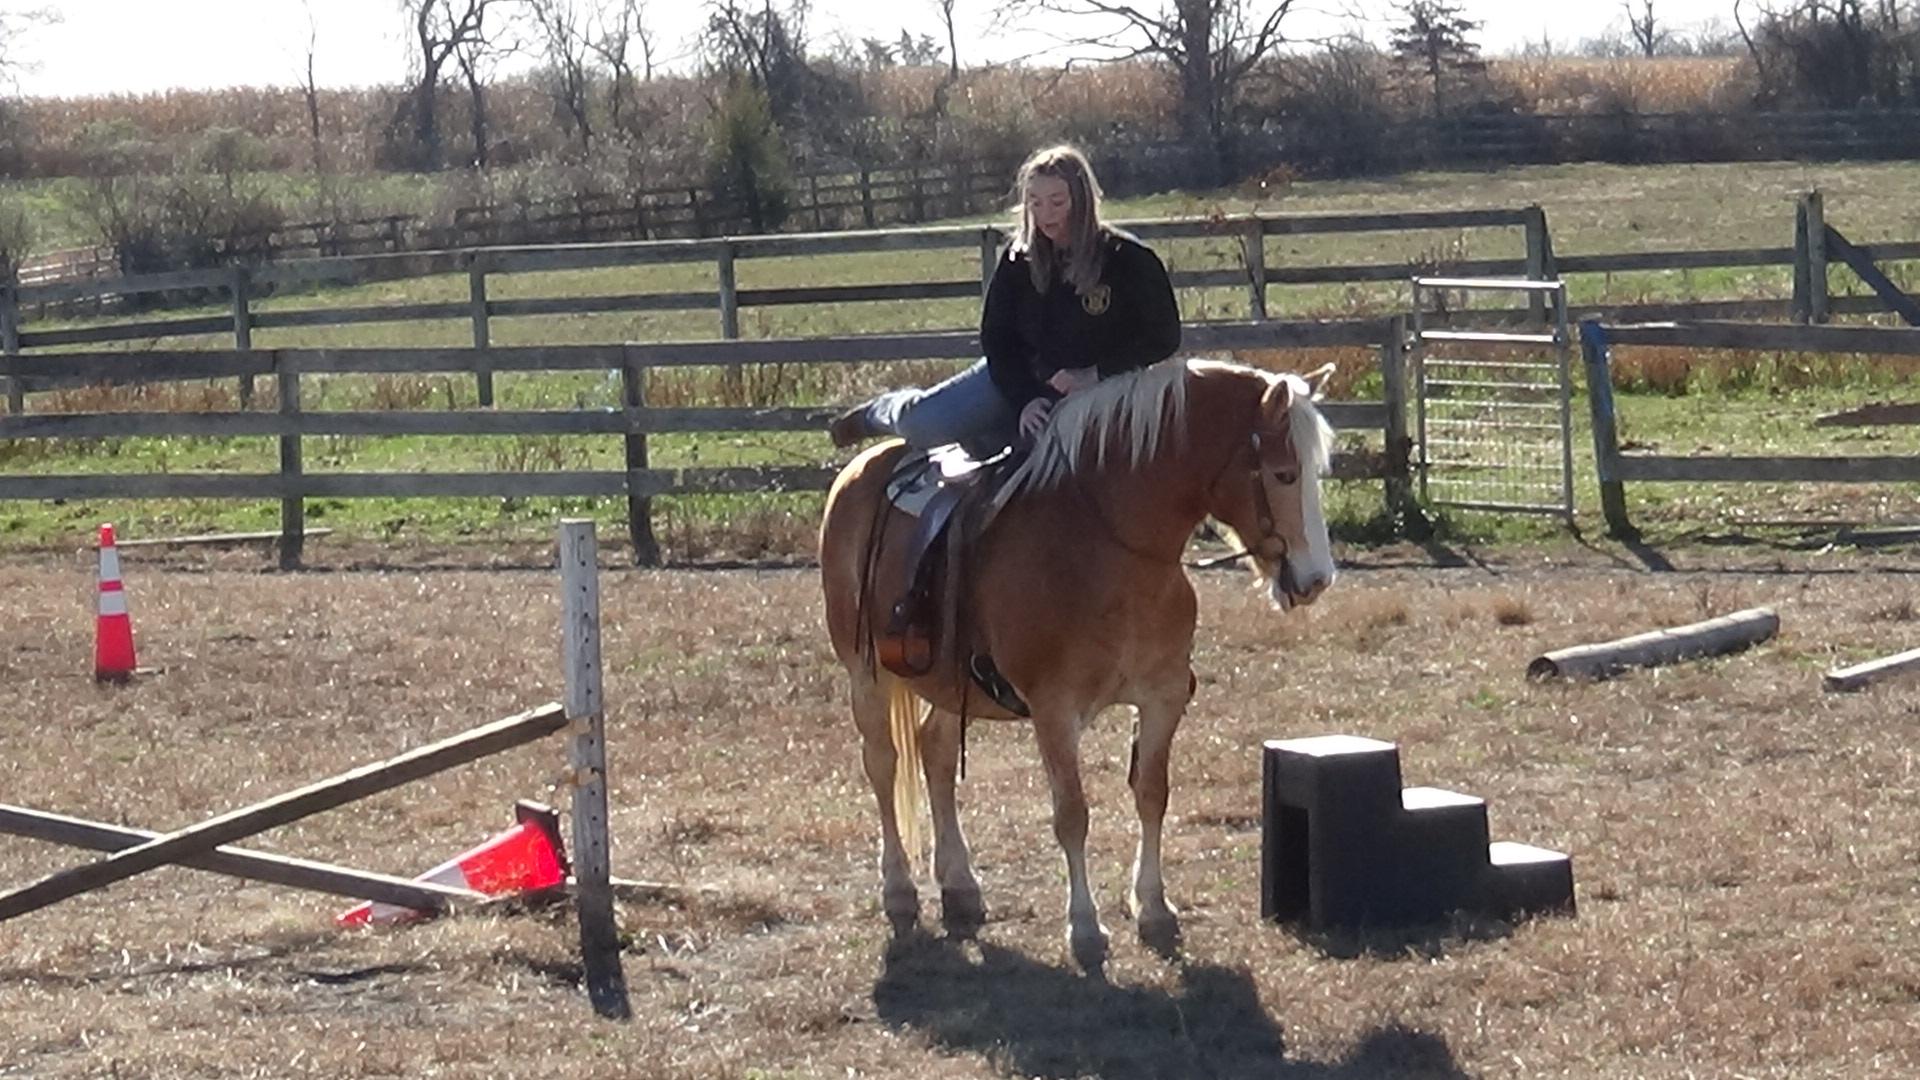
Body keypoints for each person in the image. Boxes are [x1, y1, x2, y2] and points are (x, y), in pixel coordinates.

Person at [828, 144, 1182, 457]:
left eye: (1057, 202)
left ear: (1082, 199)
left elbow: (1163, 337)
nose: (1046, 214)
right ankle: (880, 412)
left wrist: (1095, 374)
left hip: (1105, 390)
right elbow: (997, 338)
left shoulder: (1129, 259)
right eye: (1035, 202)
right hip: (1021, 379)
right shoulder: (1018, 260)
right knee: (925, 424)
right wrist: (1025, 397)